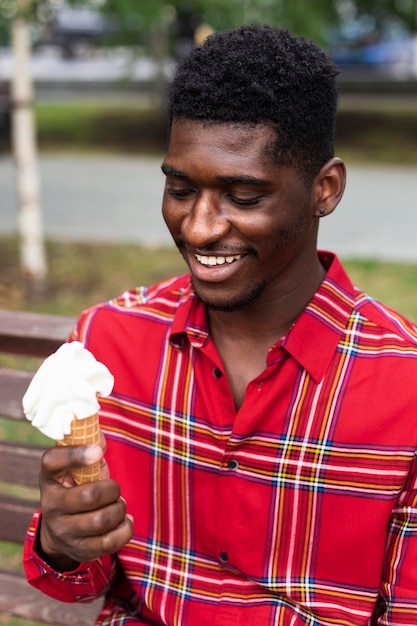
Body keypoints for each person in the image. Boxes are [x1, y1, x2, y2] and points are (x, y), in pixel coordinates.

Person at [23, 24, 417, 625]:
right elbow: (78, 581)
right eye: (181, 189)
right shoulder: (108, 343)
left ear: (325, 189)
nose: (201, 228)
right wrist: (63, 540)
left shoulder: (403, 387)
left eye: (244, 197)